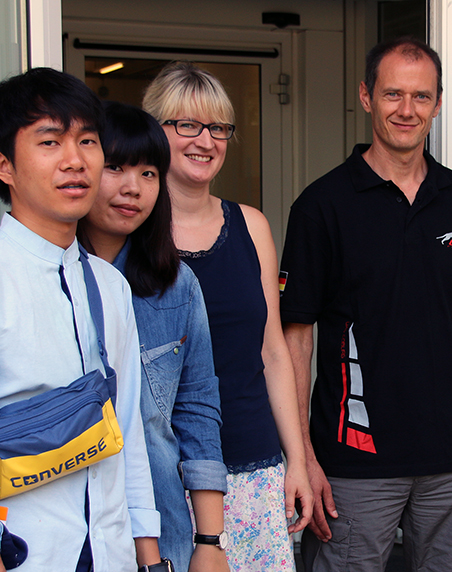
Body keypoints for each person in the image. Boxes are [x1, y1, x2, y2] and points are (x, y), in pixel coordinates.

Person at [280, 37, 452, 572]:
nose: (406, 110)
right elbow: (296, 338)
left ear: (436, 104)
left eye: (420, 96)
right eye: (392, 94)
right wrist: (305, 456)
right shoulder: (322, 206)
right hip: (352, 462)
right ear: (366, 97)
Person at [0, 68, 163, 572]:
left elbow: (127, 433)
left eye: (87, 141)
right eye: (50, 142)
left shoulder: (110, 285)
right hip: (23, 554)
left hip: (111, 554)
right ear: (3, 164)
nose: (75, 161)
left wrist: (148, 556)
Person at [142, 62, 313, 571]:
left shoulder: (252, 225)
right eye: (186, 125)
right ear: (156, 132)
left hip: (255, 465)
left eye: (217, 127)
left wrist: (297, 461)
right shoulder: (129, 236)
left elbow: (274, 353)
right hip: (168, 474)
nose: (205, 140)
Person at [78, 101, 229, 572]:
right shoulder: (47, 281)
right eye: (116, 168)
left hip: (165, 533)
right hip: (68, 530)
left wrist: (209, 540)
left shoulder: (176, 285)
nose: (132, 188)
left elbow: (198, 409)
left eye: (148, 173)